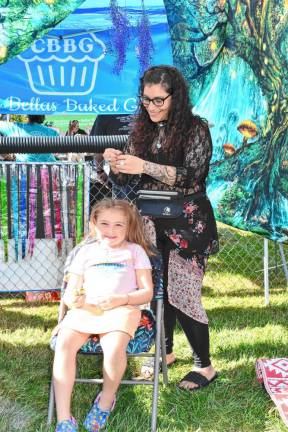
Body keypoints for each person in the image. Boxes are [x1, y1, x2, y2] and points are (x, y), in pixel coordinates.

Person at [103, 65, 219, 391]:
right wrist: (116, 163)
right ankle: (164, 353)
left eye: (158, 101)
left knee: (183, 292)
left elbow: (191, 176)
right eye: (146, 100)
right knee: (159, 292)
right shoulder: (142, 128)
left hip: (189, 223)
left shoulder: (196, 128)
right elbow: (129, 178)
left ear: (175, 97)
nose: (151, 107)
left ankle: (204, 366)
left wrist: (144, 165)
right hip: (152, 223)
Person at [52, 198, 153, 432]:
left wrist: (122, 299)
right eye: (105, 224)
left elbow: (146, 291)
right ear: (94, 224)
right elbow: (69, 293)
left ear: (129, 227)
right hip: (88, 308)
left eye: (119, 225)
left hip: (122, 309)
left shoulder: (135, 252)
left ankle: (106, 401)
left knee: (114, 347)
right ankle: (64, 418)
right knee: (65, 343)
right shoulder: (85, 253)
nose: (111, 230)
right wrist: (74, 300)